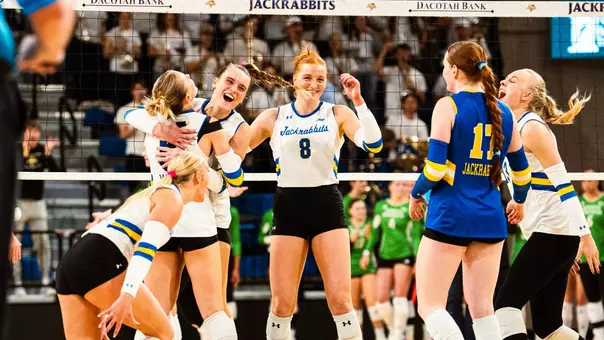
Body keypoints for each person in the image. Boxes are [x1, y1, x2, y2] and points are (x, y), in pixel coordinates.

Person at [247, 47, 383, 340]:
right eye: (307, 77)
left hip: (325, 205)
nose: (314, 84)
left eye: (320, 79)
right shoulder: (274, 116)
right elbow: (233, 149)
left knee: (341, 301)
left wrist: (358, 100)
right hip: (288, 206)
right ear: (294, 80)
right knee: (282, 303)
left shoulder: (338, 113)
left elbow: (374, 145)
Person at [407, 40, 531, 340]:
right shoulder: (504, 111)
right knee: (483, 310)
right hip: (490, 218)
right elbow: (523, 172)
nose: (444, 75)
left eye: (444, 69)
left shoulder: (447, 106)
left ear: (454, 70)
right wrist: (520, 200)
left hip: (451, 215)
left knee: (431, 305)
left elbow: (435, 169)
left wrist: (416, 193)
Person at [126, 63, 252, 332]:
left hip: (162, 216)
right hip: (198, 217)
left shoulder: (157, 122)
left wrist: (166, 137)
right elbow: (235, 179)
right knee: (214, 309)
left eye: (242, 88)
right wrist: (198, 164)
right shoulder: (207, 122)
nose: (234, 90)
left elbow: (132, 114)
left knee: (160, 313)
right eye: (230, 82)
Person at [56, 150, 207, 340]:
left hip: (73, 260)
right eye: (208, 175)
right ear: (199, 177)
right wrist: (127, 294)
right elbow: (145, 250)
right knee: (166, 333)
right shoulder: (172, 200)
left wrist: (100, 299)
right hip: (99, 260)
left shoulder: (150, 193)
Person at [496, 68, 600, 340]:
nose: (504, 80)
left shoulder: (531, 128)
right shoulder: (507, 127)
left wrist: (583, 236)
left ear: (527, 95)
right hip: (551, 236)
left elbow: (565, 187)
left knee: (504, 307)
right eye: (506, 77)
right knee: (548, 326)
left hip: (555, 232)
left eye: (514, 80)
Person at [0, 0, 73, 336]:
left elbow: (53, 169)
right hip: (20, 204)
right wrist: (40, 50)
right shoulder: (19, 143)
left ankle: (43, 280)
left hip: (34, 202)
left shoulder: (39, 152)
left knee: (34, 244)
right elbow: (57, 13)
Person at [363, 181, 423, 339]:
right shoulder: (381, 205)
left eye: (404, 185)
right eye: (397, 184)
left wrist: (417, 259)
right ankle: (395, 330)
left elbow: (416, 236)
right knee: (381, 302)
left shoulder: (410, 206)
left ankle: (396, 335)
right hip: (385, 255)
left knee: (399, 298)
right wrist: (366, 252)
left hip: (405, 254)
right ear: (390, 186)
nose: (401, 188)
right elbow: (375, 233)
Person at [348, 199, 386, 340]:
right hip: (351, 267)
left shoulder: (370, 224)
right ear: (350, 211)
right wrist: (349, 240)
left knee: (373, 304)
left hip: (367, 265)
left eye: (363, 208)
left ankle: (380, 335)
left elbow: (374, 240)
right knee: (355, 308)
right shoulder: (346, 226)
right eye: (357, 208)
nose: (361, 211)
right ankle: (356, 337)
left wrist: (366, 252)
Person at [577, 169, 604, 339]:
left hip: (603, 257)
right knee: (591, 297)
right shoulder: (578, 202)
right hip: (585, 259)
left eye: (591, 179)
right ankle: (599, 335)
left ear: (597, 181)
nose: (588, 183)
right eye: (585, 180)